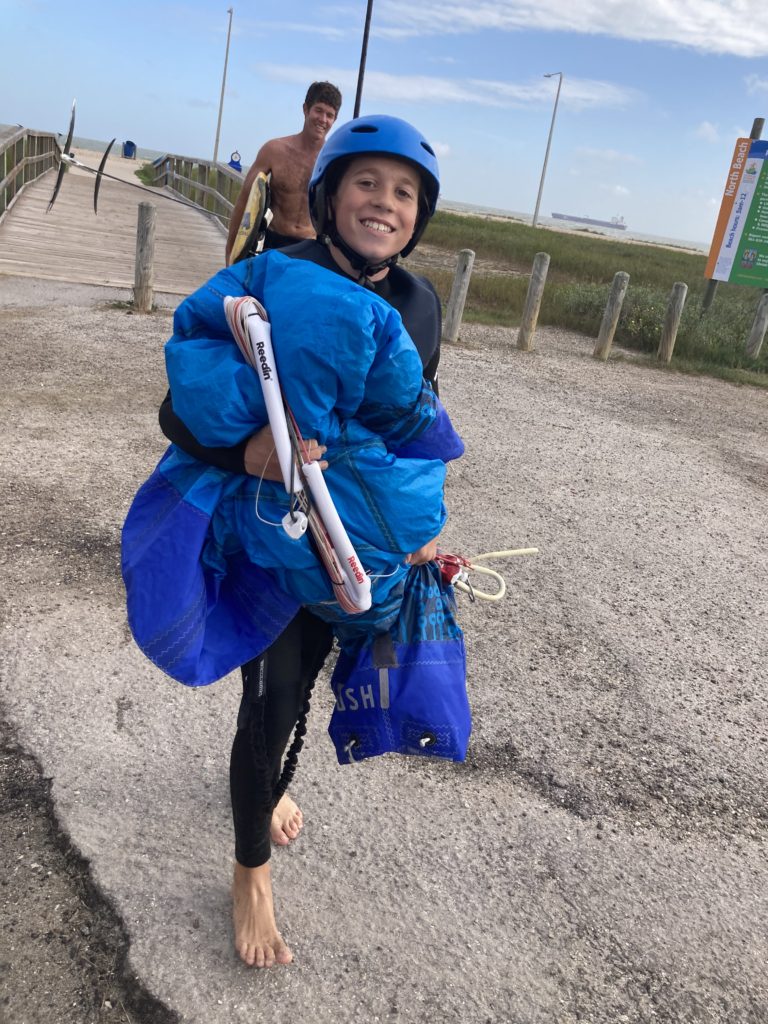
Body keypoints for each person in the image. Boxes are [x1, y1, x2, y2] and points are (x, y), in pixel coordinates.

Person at [149, 116, 453, 968]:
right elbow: (180, 406)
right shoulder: (272, 278)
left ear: (418, 217)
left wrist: (421, 535)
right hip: (273, 539)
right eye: (366, 183)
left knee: (310, 690)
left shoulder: (422, 304)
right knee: (273, 698)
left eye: (404, 193)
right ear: (326, 197)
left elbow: (413, 429)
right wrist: (243, 449)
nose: (383, 204)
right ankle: (250, 872)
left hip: (356, 553)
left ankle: (272, 787)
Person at [224, 81, 342, 262]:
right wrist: (231, 253)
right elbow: (244, 202)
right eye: (318, 110)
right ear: (305, 109)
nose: (323, 119)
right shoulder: (274, 150)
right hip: (274, 244)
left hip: (311, 249)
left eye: (330, 115)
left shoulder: (334, 162)